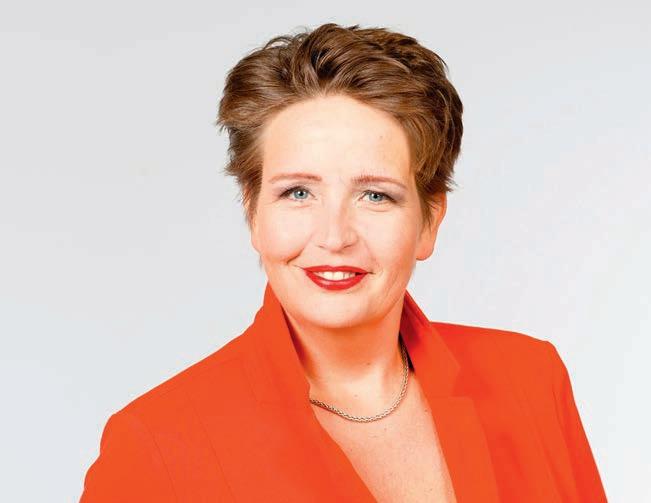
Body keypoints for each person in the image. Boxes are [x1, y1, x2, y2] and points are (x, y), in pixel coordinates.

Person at [79, 23, 607, 502]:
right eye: (298, 193)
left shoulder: (530, 381)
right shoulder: (156, 443)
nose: (334, 237)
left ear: (429, 221)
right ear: (253, 212)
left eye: (375, 195)